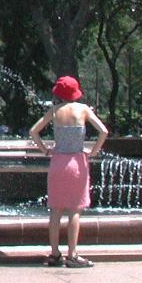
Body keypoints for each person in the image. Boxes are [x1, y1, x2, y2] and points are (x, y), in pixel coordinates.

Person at [30, 75, 108, 268]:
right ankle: (72, 254)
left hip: (58, 162)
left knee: (55, 210)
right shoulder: (83, 110)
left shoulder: (55, 111)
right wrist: (94, 151)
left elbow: (33, 131)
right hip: (77, 162)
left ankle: (55, 253)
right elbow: (103, 131)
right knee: (75, 210)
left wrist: (45, 149)